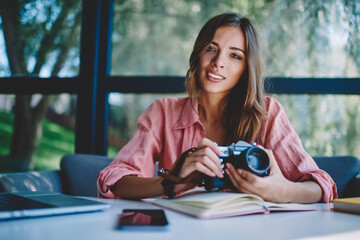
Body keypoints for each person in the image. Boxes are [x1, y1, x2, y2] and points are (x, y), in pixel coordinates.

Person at [97, 13, 337, 203]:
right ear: (197, 55)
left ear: (246, 69)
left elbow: (321, 185)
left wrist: (284, 191)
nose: (218, 63)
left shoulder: (267, 112)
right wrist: (175, 182)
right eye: (211, 49)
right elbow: (114, 178)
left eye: (235, 56)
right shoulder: (163, 111)